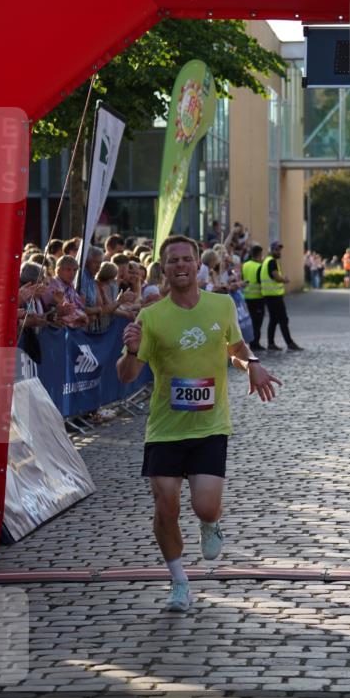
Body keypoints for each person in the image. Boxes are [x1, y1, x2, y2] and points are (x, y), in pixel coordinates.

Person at [116, 235, 282, 613]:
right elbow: (126, 375)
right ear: (163, 268)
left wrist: (252, 365)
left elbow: (236, 349)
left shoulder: (221, 305)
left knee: (205, 507)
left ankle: (210, 522)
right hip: (165, 429)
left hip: (210, 426)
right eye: (172, 260)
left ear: (197, 265)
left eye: (186, 259)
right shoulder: (150, 317)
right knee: (166, 507)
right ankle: (179, 582)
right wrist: (131, 350)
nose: (180, 265)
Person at [261, 241, 303, 352]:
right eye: (276, 250)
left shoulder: (266, 261)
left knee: (274, 320)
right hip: (274, 296)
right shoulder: (271, 262)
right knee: (283, 319)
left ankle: (271, 344)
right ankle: (290, 343)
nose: (279, 252)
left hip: (269, 296)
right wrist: (284, 279)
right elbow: (276, 277)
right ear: (271, 250)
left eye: (279, 250)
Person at [242, 243, 264, 351]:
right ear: (259, 254)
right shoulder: (259, 266)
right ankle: (255, 343)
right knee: (257, 322)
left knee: (250, 321)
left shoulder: (245, 265)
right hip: (257, 298)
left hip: (247, 297)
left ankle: (251, 342)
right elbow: (261, 283)